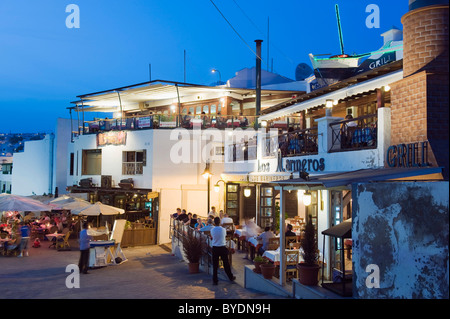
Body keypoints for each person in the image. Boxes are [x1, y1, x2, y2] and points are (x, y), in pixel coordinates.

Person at [210, 217, 235, 285]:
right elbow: (224, 236)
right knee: (226, 263)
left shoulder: (212, 230)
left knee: (215, 265)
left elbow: (212, 237)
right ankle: (230, 277)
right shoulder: (223, 229)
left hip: (215, 248)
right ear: (220, 222)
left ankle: (215, 280)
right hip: (222, 247)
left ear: (214, 223)